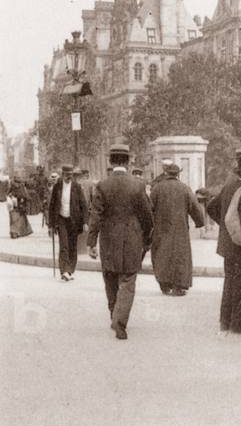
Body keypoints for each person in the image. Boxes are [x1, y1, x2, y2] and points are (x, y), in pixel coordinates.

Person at [87, 144, 154, 340]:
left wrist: (91, 242)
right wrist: (148, 237)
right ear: (127, 161)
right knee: (128, 279)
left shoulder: (102, 185)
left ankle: (113, 313)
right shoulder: (137, 185)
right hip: (132, 239)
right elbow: (147, 215)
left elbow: (95, 215)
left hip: (108, 239)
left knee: (110, 277)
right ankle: (120, 321)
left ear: (111, 161)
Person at [206, 148, 241, 334]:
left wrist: (225, 227)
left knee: (229, 282)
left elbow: (211, 207)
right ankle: (237, 323)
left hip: (227, 245)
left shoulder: (229, 185)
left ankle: (224, 320)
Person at [149, 163, 204, 296]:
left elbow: (149, 209)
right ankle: (178, 286)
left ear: (166, 173)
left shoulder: (157, 188)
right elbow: (195, 208)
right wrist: (199, 222)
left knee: (161, 254)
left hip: (161, 228)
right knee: (180, 255)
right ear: (178, 174)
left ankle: (164, 284)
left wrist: (149, 226)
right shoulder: (185, 188)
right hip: (180, 229)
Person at [47, 164, 89, 282]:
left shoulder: (77, 187)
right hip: (61, 219)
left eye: (70, 175)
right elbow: (52, 206)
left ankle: (70, 270)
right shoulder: (57, 187)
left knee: (73, 246)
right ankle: (64, 271)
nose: (68, 177)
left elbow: (84, 206)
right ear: (62, 174)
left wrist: (85, 222)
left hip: (74, 221)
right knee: (64, 245)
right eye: (66, 175)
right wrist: (50, 225)